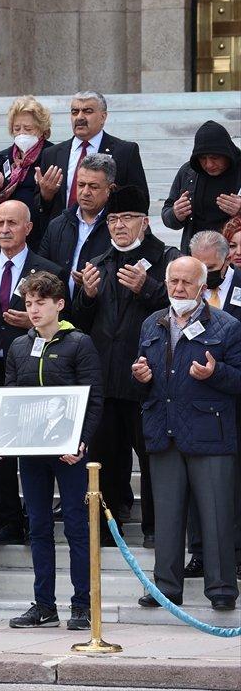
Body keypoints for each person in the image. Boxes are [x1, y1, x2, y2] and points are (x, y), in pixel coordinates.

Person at [69, 185, 179, 548]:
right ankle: (106, 524)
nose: (119, 226)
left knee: (150, 457)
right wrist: (85, 296)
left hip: (150, 377)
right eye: (113, 219)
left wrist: (149, 288)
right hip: (104, 375)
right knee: (104, 456)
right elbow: (79, 323)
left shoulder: (165, 258)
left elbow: (181, 307)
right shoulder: (98, 262)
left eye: (127, 218)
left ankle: (155, 529)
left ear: (144, 222)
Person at [0, 270, 103, 630]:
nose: (34, 309)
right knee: (39, 526)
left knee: (76, 525)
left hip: (69, 451)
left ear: (59, 304)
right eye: (29, 303)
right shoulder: (19, 346)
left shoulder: (78, 343)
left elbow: (93, 399)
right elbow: (10, 399)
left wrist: (82, 440)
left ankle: (82, 604)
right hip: (32, 450)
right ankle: (44, 604)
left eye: (41, 302)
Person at [133, 256, 240, 612]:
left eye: (186, 283)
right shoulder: (152, 323)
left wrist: (216, 373)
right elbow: (145, 374)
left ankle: (222, 588)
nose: (178, 289)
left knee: (216, 514)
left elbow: (238, 379)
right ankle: (166, 587)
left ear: (202, 287)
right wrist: (142, 378)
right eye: (173, 282)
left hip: (209, 433)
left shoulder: (226, 325)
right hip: (164, 431)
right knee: (167, 515)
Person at [0, 200, 63, 544]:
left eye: (12, 223)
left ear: (28, 228)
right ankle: (8, 518)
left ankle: (38, 518)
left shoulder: (47, 269)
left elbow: (64, 319)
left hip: (33, 368)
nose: (4, 229)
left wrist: (29, 325)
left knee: (36, 446)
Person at [185, 230, 241, 580]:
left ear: (226, 260)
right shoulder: (185, 291)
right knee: (194, 482)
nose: (206, 275)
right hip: (195, 400)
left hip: (233, 394)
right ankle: (200, 552)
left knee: (231, 483)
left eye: (212, 267)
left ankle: (233, 551)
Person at [34, 92, 148, 223]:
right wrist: (46, 195)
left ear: (103, 117)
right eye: (75, 112)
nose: (80, 117)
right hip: (64, 235)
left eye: (87, 111)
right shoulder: (51, 154)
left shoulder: (125, 152)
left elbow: (141, 200)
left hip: (106, 235)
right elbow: (39, 207)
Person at [37, 153, 114, 297]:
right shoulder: (57, 225)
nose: (85, 192)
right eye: (81, 185)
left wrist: (92, 285)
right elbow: (41, 270)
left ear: (109, 189)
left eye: (93, 187)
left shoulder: (118, 228)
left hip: (100, 314)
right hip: (60, 314)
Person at [161, 120, 241, 253]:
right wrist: (176, 214)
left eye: (214, 157)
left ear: (226, 153)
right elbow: (167, 214)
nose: (209, 164)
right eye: (203, 158)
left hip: (234, 256)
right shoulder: (188, 172)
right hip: (196, 255)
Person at [0, 95, 56, 220]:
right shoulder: (2, 159)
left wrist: (46, 191)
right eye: (17, 129)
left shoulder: (53, 155)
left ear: (42, 129)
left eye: (28, 128)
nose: (22, 133)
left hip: (40, 229)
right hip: (5, 228)